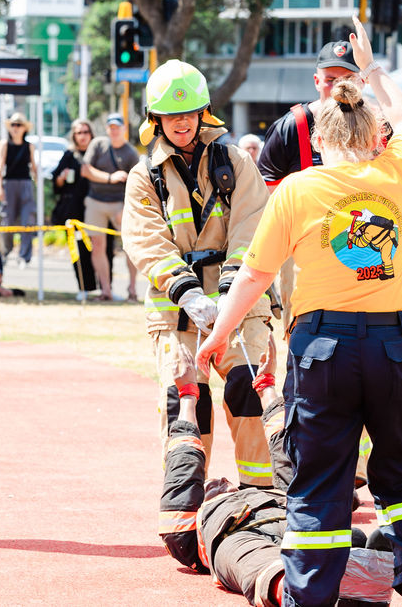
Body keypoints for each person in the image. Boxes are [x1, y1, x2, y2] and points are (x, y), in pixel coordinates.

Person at [197, 17, 402, 607]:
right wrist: (374, 69)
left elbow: (254, 276)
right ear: (372, 133)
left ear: (323, 136)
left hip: (325, 349)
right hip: (399, 345)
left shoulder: (298, 189)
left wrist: (218, 334)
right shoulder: (397, 167)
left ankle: (309, 594)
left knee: (320, 476)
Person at [122, 59, 275, 489]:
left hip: (239, 305)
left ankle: (261, 495)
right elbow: (146, 240)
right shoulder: (144, 176)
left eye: (189, 113)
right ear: (155, 119)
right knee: (187, 400)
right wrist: (188, 293)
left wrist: (230, 291)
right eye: (171, 115)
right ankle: (187, 499)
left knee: (249, 391)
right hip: (176, 312)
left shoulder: (236, 162)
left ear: (203, 112)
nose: (181, 122)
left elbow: (253, 226)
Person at [160, 337, 394, 607]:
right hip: (236, 537)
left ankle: (349, 574)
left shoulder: (276, 494)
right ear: (200, 500)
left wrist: (265, 386)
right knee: (255, 562)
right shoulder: (191, 533)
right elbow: (184, 460)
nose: (220, 480)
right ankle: (324, 585)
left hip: (293, 525)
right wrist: (187, 395)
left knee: (318, 530)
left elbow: (284, 445)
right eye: (210, 485)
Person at [256, 39, 402, 331]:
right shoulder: (292, 127)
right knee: (304, 328)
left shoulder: (384, 127)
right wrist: (261, 270)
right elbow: (261, 203)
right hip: (305, 253)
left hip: (371, 258)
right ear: (317, 81)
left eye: (348, 78)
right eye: (331, 79)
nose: (338, 87)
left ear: (362, 83)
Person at [81, 113, 140, 301]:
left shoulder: (131, 153)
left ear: (124, 129)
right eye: (111, 127)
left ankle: (132, 289)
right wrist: (109, 178)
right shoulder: (98, 145)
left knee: (129, 246)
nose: (114, 131)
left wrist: (127, 206)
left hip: (120, 204)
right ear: (107, 129)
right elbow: (85, 170)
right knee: (97, 246)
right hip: (95, 201)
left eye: (117, 127)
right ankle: (105, 290)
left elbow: (138, 183)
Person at [51, 119, 113, 300]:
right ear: (74, 135)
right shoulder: (69, 155)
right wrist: (61, 178)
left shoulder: (100, 153)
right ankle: (84, 288)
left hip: (99, 206)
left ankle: (106, 289)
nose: (83, 136)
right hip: (75, 211)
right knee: (79, 250)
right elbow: (56, 183)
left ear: (91, 134)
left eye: (86, 132)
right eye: (79, 132)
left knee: (104, 248)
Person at [0, 112, 38, 267]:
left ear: (24, 128)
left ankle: (24, 256)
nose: (15, 128)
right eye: (13, 125)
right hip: (9, 184)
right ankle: (5, 252)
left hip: (26, 184)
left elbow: (34, 168)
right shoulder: (4, 144)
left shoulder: (29, 146)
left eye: (19, 125)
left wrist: (38, 182)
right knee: (7, 220)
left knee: (28, 221)